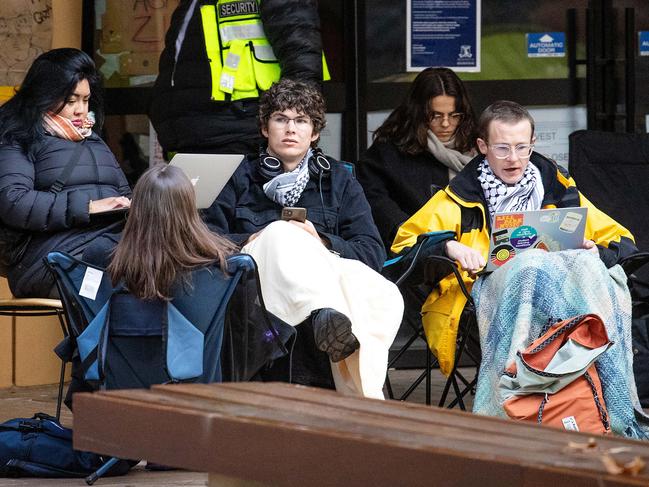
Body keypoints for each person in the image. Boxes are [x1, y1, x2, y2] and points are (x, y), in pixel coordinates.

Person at [392, 100, 646, 437]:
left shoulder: (558, 189)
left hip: (567, 314)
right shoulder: (458, 198)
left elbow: (622, 240)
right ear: (482, 147)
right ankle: (516, 400)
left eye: (522, 147)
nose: (513, 158)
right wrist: (448, 247)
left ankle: (603, 408)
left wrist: (593, 249)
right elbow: (400, 252)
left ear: (533, 144)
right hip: (481, 302)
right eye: (502, 148)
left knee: (583, 264)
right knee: (529, 268)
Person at [205, 78, 403, 399]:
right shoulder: (238, 177)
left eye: (301, 121)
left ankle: (325, 319)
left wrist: (322, 241)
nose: (290, 129)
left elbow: (371, 252)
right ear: (264, 128)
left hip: (325, 287)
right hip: (257, 299)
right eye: (281, 119)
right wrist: (258, 237)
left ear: (314, 133)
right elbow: (206, 240)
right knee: (282, 233)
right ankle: (325, 323)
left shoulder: (338, 180)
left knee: (386, 294)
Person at [0, 48, 131, 298]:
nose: (81, 110)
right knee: (116, 289)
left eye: (86, 99)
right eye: (71, 101)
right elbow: (14, 201)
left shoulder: (94, 141)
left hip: (109, 250)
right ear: (44, 95)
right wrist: (89, 207)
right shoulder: (17, 137)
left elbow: (125, 195)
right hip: (51, 261)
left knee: (170, 271)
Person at [150, 0, 328, 155]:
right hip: (193, 140)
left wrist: (296, 131)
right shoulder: (190, 4)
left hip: (244, 137)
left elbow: (302, 60)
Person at [357, 67, 477, 250]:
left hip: (476, 249)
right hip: (418, 254)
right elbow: (378, 206)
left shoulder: (479, 148)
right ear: (418, 113)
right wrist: (426, 244)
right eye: (435, 115)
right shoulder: (388, 153)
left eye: (454, 115)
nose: (446, 123)